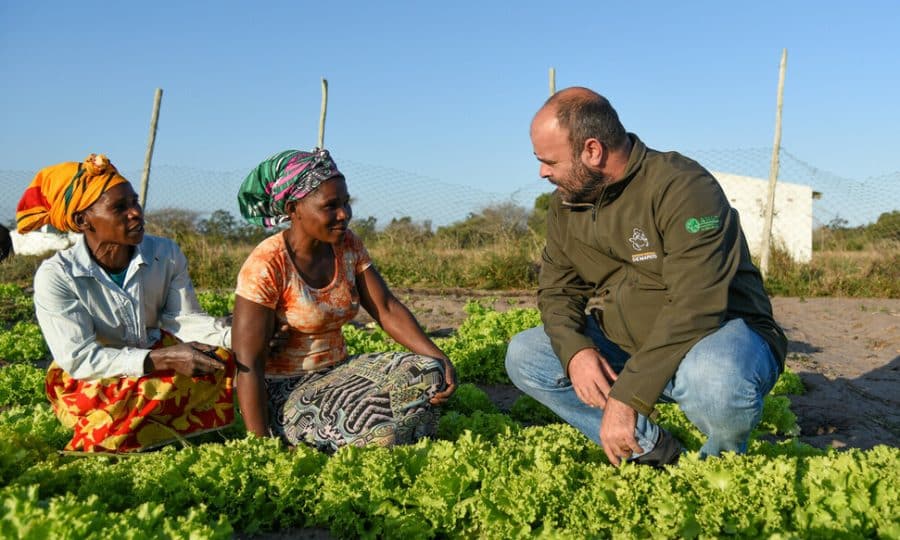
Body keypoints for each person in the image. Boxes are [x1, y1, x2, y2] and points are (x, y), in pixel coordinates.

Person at [505, 88, 788, 467]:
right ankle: (651, 450)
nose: (542, 172)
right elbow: (557, 289)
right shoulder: (567, 203)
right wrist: (576, 352)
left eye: (549, 161)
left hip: (715, 337)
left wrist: (629, 396)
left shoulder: (683, 187)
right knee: (527, 356)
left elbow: (696, 305)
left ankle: (719, 470)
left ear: (592, 150)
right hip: (628, 344)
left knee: (716, 382)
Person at [232, 148, 457, 452]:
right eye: (331, 206)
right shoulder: (267, 263)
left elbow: (386, 308)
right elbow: (248, 363)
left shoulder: (348, 245)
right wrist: (259, 447)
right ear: (293, 208)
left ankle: (372, 434)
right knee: (375, 425)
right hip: (286, 390)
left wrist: (440, 358)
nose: (344, 215)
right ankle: (359, 435)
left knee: (428, 372)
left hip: (340, 371)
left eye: (346, 203)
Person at [17, 154, 236, 452]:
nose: (135, 213)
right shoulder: (57, 276)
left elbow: (182, 320)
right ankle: (134, 433)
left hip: (158, 354)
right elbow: (81, 358)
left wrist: (235, 338)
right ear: (83, 221)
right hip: (94, 376)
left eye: (135, 202)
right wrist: (165, 360)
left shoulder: (165, 253)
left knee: (225, 362)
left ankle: (146, 432)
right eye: (120, 207)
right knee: (136, 393)